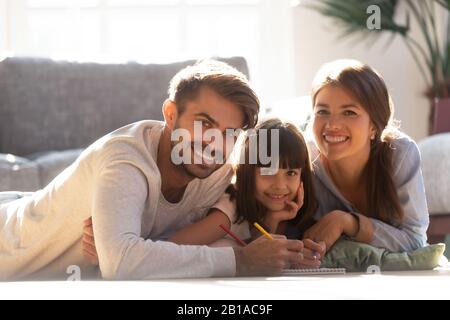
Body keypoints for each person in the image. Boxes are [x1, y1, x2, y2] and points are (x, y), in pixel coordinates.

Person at [0, 60, 306, 280]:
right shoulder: (125, 159)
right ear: (170, 114)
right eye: (205, 124)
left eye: (229, 133)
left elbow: (225, 231)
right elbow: (122, 264)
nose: (213, 143)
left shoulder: (219, 171)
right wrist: (240, 261)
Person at [83, 119, 326, 269]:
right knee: (223, 245)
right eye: (268, 172)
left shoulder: (297, 215)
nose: (280, 185)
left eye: (291, 173)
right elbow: (173, 246)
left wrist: (275, 224)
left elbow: (268, 259)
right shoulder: (230, 208)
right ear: (247, 172)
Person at [303, 59, 429, 252]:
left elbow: (415, 240)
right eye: (322, 112)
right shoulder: (303, 156)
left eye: (349, 112)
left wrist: (349, 223)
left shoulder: (399, 153)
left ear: (374, 126)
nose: (332, 125)